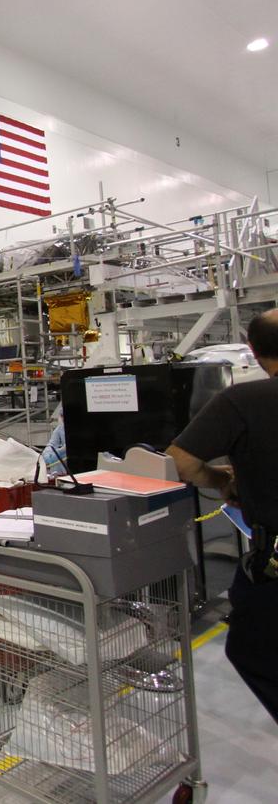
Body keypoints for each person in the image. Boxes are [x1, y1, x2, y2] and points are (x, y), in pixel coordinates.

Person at [168, 308, 278, 725]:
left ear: (254, 350)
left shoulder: (244, 400)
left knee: (252, 649)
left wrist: (222, 481)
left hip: (273, 564)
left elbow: (181, 462)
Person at [45, 405, 68, 476]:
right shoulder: (60, 428)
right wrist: (61, 450)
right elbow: (51, 445)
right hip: (65, 458)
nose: (63, 418)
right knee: (55, 458)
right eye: (62, 416)